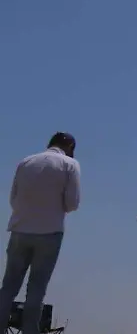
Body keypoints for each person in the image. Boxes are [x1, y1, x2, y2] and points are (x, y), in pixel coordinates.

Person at [0, 133, 81, 334]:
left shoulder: (26, 162)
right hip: (49, 232)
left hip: (20, 229)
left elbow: (13, 199)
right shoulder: (70, 164)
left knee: (8, 286)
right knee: (36, 288)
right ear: (70, 146)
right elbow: (72, 204)